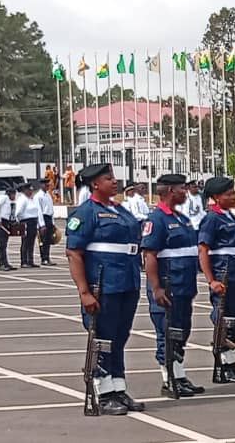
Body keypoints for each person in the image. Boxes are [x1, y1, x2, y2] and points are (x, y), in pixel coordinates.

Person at [66, 163, 144, 415]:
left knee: (119, 338)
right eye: (108, 178)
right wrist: (84, 292)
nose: (115, 182)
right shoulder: (86, 212)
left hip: (127, 282)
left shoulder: (120, 209)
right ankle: (103, 391)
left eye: (114, 178)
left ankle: (118, 388)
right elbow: (74, 253)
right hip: (104, 285)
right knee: (103, 339)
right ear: (95, 184)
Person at [141, 174, 206, 399]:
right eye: (180, 188)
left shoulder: (182, 218)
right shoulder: (157, 219)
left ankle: (179, 375)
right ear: (169, 191)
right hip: (168, 287)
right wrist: (156, 288)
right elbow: (149, 256)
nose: (184, 192)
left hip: (184, 286)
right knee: (167, 333)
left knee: (182, 331)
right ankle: (169, 378)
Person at [198, 176, 235, 384]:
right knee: (223, 320)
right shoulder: (212, 218)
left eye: (233, 193)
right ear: (216, 197)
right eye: (228, 194)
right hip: (224, 273)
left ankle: (233, 364)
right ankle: (222, 365)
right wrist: (210, 280)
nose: (233, 197)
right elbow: (203, 249)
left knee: (234, 320)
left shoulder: (231, 216)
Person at [0, 186, 17, 271]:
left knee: (4, 244)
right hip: (0, 222)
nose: (15, 196)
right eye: (14, 194)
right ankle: (1, 264)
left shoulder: (8, 201)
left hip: (5, 222)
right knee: (1, 244)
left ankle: (5, 263)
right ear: (10, 194)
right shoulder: (2, 198)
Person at [15, 183, 40, 268]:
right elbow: (18, 212)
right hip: (26, 222)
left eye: (31, 190)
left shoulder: (31, 199)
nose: (31, 191)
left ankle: (30, 260)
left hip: (33, 221)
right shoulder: (22, 199)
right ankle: (24, 261)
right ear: (25, 191)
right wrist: (20, 221)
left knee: (31, 242)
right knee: (25, 242)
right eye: (29, 190)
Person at [34, 178, 56, 266]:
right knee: (43, 240)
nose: (47, 186)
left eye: (48, 184)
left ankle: (47, 257)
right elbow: (38, 211)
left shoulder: (48, 195)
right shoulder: (38, 196)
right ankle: (44, 258)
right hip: (43, 218)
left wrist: (53, 222)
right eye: (45, 184)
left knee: (49, 240)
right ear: (41, 185)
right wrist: (41, 224)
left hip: (49, 218)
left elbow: (51, 210)